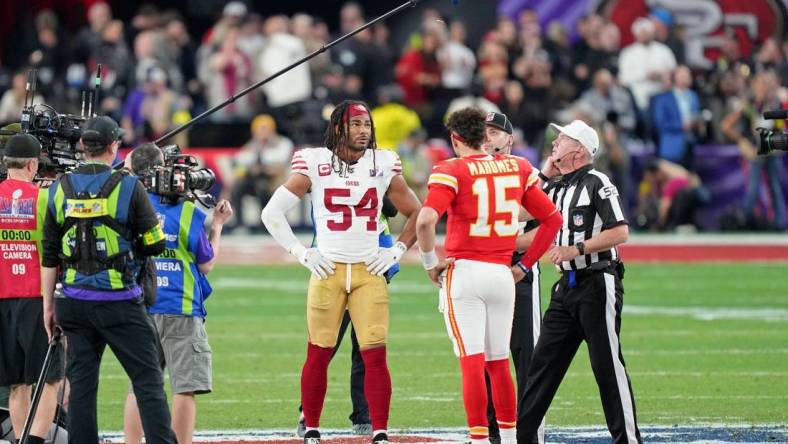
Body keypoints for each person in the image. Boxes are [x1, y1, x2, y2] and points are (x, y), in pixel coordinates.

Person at [261, 100, 422, 444]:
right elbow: (272, 213)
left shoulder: (382, 163)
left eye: (367, 125)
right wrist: (301, 253)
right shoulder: (315, 161)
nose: (364, 131)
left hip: (369, 267)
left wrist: (397, 250)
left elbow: (418, 214)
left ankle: (377, 430)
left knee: (374, 351)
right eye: (357, 125)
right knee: (319, 350)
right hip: (328, 268)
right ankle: (312, 426)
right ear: (338, 128)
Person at [415, 108, 562, 444]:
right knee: (499, 363)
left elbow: (425, 221)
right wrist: (524, 267)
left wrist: (428, 262)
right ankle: (509, 440)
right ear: (484, 136)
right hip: (502, 274)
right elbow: (552, 220)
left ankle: (480, 440)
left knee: (472, 363)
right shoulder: (518, 166)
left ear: (455, 138)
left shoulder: (450, 169)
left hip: (465, 272)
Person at [40, 116, 176, 444]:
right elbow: (155, 241)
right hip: (119, 301)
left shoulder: (60, 187)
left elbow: (49, 252)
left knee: (82, 388)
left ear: (83, 148)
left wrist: (48, 306)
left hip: (71, 301)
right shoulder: (129, 186)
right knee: (147, 380)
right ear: (114, 146)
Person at [518, 120, 642, 444]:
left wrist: (577, 248)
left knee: (606, 368)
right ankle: (523, 438)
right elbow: (519, 215)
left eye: (563, 138)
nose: (555, 142)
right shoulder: (556, 186)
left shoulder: (597, 181)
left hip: (597, 282)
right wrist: (544, 174)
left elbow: (621, 231)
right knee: (540, 369)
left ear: (579, 150)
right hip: (565, 288)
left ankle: (628, 441)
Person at [122, 143, 234, 444]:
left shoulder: (130, 206)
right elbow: (206, 263)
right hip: (181, 305)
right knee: (184, 388)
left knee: (140, 385)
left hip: (142, 304)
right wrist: (219, 225)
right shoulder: (188, 212)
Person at [479, 113, 544, 444]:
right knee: (487, 353)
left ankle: (529, 432)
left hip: (518, 268)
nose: (488, 138)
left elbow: (542, 223)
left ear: (510, 138)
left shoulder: (525, 170)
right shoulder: (472, 169)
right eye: (484, 132)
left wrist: (498, 234)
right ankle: (493, 431)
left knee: (525, 354)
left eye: (495, 132)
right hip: (482, 268)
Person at [0, 134, 63, 444]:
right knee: (50, 380)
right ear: (33, 164)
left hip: (2, 299)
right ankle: (35, 442)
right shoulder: (42, 199)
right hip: (36, 297)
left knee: (15, 385)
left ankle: (21, 439)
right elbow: (55, 250)